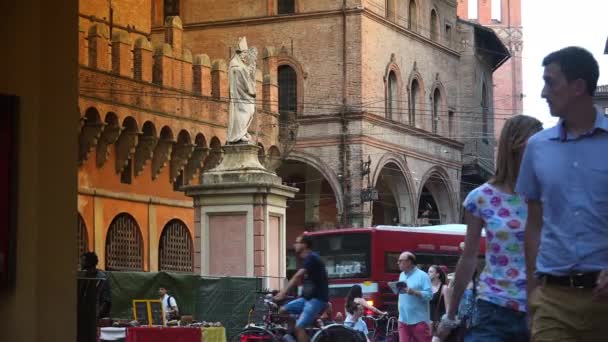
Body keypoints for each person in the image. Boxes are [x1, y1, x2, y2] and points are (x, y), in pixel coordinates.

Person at [515, 46, 608, 341]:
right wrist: (532, 293)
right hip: (553, 299)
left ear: (579, 86)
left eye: (551, 82)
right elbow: (534, 223)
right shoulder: (537, 147)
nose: (543, 92)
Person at [437, 115, 543, 342]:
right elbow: (468, 258)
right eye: (532, 145)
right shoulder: (481, 198)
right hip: (493, 307)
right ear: (514, 146)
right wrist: (450, 315)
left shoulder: (546, 193)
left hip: (542, 307)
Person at [274, 234, 329, 342]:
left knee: (299, 326)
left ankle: (299, 331)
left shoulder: (312, 257)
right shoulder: (306, 259)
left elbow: (297, 276)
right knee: (283, 310)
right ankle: (295, 336)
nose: (295, 245)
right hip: (306, 299)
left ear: (304, 245)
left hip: (316, 299)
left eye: (297, 242)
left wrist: (283, 293)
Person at [396, 251, 432, 342]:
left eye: (400, 261)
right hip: (403, 319)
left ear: (409, 262)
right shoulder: (401, 275)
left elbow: (429, 295)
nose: (398, 263)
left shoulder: (423, 276)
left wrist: (414, 292)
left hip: (419, 320)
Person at [227, 36, 257, 143]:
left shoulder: (241, 66)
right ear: (239, 54)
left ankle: (242, 132)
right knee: (246, 111)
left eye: (246, 55)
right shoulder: (235, 65)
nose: (245, 57)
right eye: (244, 54)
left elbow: (246, 75)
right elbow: (240, 76)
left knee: (251, 111)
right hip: (239, 96)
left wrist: (251, 70)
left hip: (244, 95)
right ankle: (238, 134)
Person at [78, 252, 112, 342]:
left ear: (89, 262)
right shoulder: (84, 277)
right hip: (84, 318)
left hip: (96, 320)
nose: (81, 262)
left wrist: (96, 316)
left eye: (83, 260)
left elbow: (106, 301)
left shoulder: (101, 278)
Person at [428, 265, 449, 337]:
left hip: (438, 323)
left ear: (437, 274)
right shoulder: (427, 287)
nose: (428, 274)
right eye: (428, 272)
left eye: (431, 272)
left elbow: (447, 309)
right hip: (427, 321)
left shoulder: (444, 288)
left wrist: (444, 324)